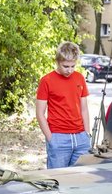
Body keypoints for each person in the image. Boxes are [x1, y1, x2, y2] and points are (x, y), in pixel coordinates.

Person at [36, 41, 92, 169]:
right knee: (58, 180)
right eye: (66, 66)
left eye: (73, 66)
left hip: (81, 139)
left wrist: (87, 134)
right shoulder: (46, 81)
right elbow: (40, 113)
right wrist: (50, 138)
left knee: (80, 180)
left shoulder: (79, 78)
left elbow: (84, 109)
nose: (70, 70)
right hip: (58, 138)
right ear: (57, 61)